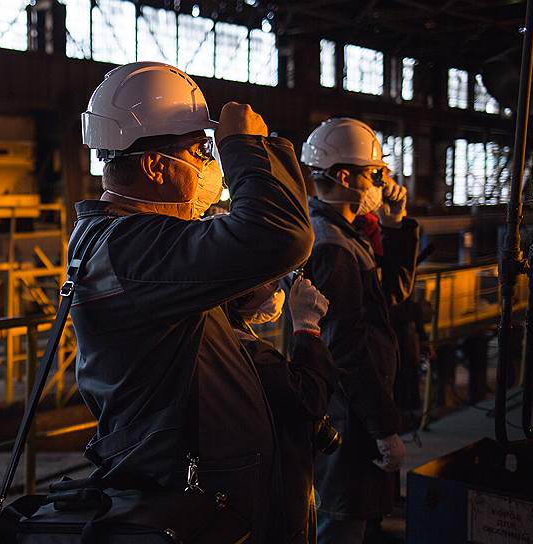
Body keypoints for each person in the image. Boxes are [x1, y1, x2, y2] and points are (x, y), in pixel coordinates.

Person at [68, 61, 314, 543]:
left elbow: (164, 325)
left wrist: (235, 301)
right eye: (200, 150)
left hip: (208, 497)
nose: (208, 163)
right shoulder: (130, 246)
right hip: (192, 506)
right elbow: (282, 235)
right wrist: (245, 147)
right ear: (156, 166)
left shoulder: (131, 240)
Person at [299, 118, 420, 543]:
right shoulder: (331, 243)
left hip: (357, 411)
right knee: (342, 521)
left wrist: (395, 223)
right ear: (344, 176)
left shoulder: (348, 235)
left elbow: (393, 294)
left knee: (355, 516)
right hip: (347, 416)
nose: (381, 185)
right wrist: (384, 428)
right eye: (375, 175)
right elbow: (345, 348)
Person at [225, 275, 338, 544]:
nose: (277, 286)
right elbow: (307, 399)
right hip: (270, 499)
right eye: (268, 278)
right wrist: (307, 325)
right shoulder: (243, 348)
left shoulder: (226, 332)